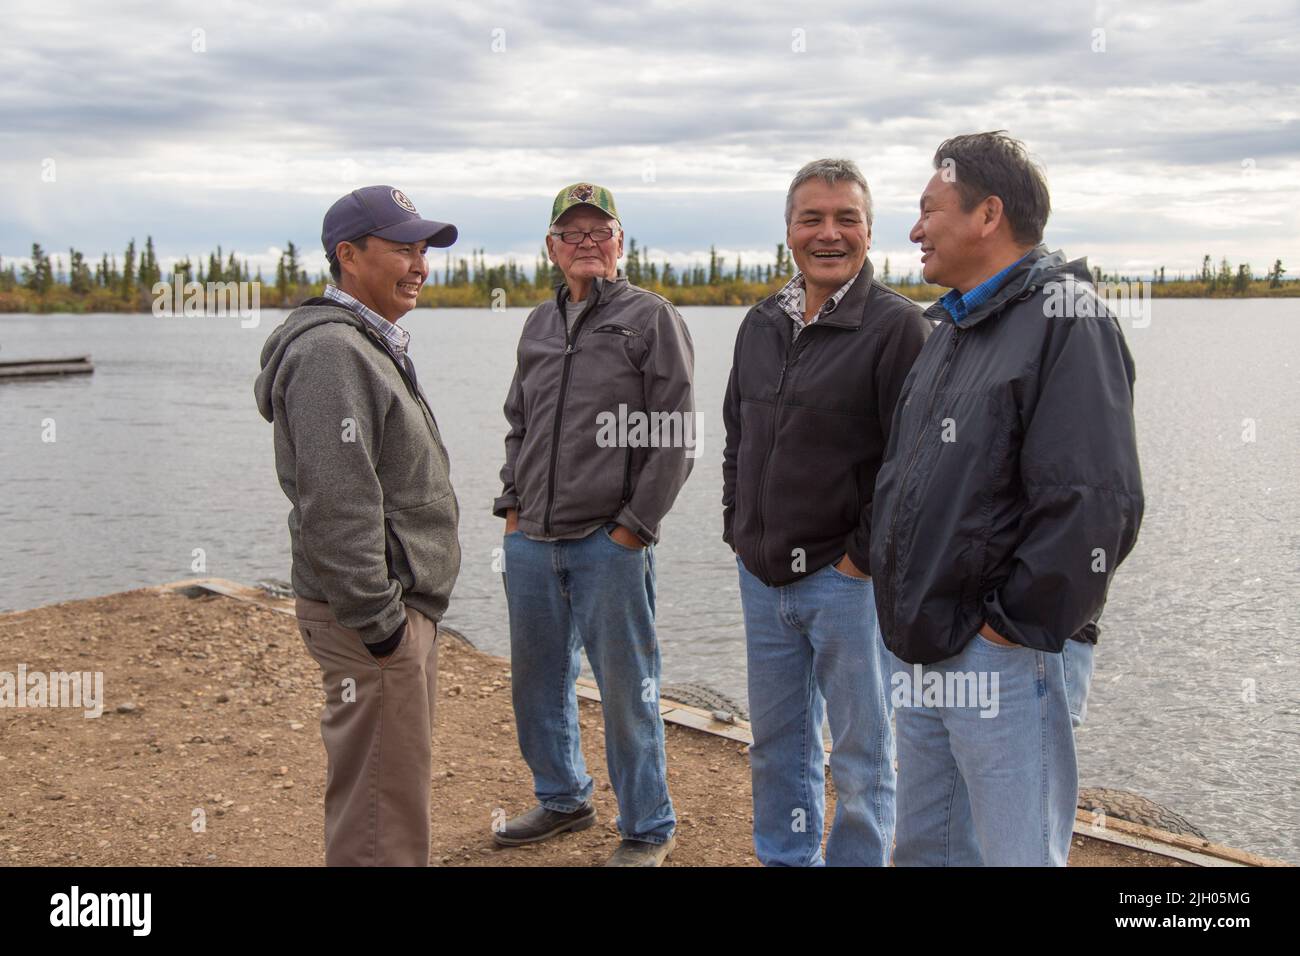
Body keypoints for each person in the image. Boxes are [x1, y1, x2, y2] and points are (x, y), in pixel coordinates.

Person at [870, 131, 1144, 866]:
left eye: (929, 210)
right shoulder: (953, 325)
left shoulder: (1067, 319)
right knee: (927, 849)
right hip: (923, 645)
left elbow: (1095, 502)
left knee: (1016, 855)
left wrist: (1008, 630)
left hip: (1001, 656)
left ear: (987, 215)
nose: (915, 229)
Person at [721, 159, 930, 866]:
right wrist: (736, 528)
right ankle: (786, 856)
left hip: (848, 587)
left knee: (864, 755)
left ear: (870, 231)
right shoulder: (760, 324)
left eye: (846, 218)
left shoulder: (900, 329)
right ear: (788, 231)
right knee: (777, 743)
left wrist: (858, 561)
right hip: (762, 577)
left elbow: (914, 467)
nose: (828, 233)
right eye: (812, 218)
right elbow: (737, 437)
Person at [253, 185, 461, 866]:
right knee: (380, 812)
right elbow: (337, 504)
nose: (419, 263)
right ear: (348, 255)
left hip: (392, 609)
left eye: (423, 249)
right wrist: (382, 625)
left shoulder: (365, 342)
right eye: (402, 247)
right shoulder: (333, 355)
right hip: (373, 618)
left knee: (389, 796)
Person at [491, 182, 695, 867]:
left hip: (610, 543)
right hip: (532, 542)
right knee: (537, 682)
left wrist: (634, 529)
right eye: (570, 234)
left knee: (628, 690)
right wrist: (512, 511)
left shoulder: (651, 319)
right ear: (551, 248)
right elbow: (519, 423)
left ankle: (647, 826)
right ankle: (562, 800)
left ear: (620, 243)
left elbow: (676, 438)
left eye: (597, 232)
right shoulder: (538, 325)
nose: (585, 244)